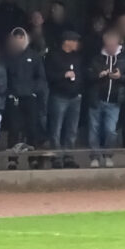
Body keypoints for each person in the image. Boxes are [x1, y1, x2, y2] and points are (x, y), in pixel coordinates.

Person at [4, 28, 49, 151]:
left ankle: (32, 156)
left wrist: (34, 91)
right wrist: (9, 93)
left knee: (32, 126)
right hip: (14, 97)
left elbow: (41, 77)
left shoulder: (34, 56)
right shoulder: (8, 57)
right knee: (14, 127)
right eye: (16, 39)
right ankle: (12, 157)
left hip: (30, 97)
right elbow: (5, 77)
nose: (19, 41)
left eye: (21, 38)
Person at [88, 28, 125, 166]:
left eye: (112, 45)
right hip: (96, 99)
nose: (110, 47)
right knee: (94, 129)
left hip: (114, 101)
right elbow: (88, 76)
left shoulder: (124, 59)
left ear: (117, 43)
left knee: (110, 130)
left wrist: (120, 77)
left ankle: (108, 155)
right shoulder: (96, 58)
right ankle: (95, 157)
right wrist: (98, 75)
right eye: (107, 45)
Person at [46, 29, 85, 167]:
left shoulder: (77, 57)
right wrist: (63, 75)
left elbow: (81, 74)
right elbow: (48, 75)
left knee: (72, 129)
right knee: (56, 128)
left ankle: (69, 156)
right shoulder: (53, 56)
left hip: (75, 97)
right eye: (74, 41)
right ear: (67, 42)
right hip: (59, 96)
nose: (76, 43)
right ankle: (57, 157)